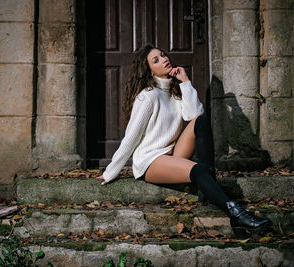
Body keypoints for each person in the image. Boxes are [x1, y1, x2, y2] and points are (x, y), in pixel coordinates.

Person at [96, 43, 271, 237]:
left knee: (201, 121)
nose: (164, 59)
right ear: (149, 70)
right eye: (156, 60)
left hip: (171, 153)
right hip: (150, 161)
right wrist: (110, 172)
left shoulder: (174, 92)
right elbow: (131, 137)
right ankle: (237, 214)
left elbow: (195, 115)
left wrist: (185, 82)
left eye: (163, 55)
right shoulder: (148, 96)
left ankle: (209, 186)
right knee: (198, 170)